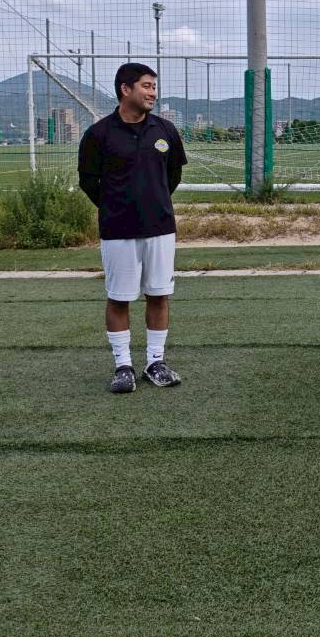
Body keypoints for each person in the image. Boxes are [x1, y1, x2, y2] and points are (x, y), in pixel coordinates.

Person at [78, 62, 187, 394]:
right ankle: (123, 366)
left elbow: (173, 176)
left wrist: (153, 201)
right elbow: (89, 182)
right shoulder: (99, 134)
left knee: (159, 294)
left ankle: (155, 362)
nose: (153, 92)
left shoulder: (165, 130)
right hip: (118, 231)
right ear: (125, 89)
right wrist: (115, 207)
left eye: (154, 86)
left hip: (160, 228)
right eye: (146, 86)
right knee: (119, 298)